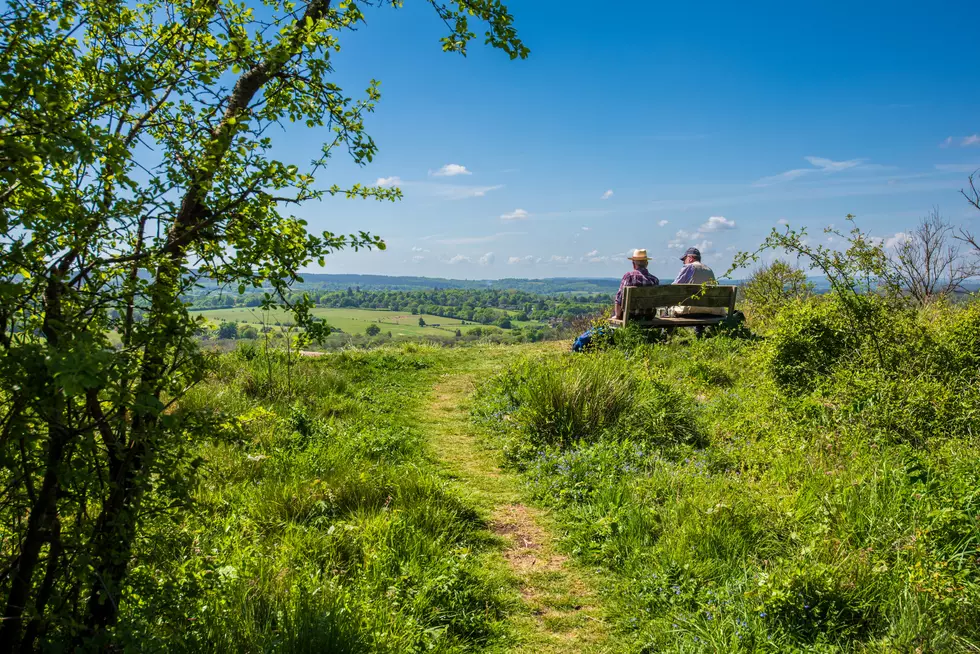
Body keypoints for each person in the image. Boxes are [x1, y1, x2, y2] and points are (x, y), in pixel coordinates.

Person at [671, 247, 725, 337]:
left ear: (690, 258)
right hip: (711, 310)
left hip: (690, 310)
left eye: (685, 259)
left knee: (670, 306)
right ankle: (699, 332)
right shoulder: (709, 269)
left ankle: (668, 335)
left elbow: (673, 288)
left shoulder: (688, 267)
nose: (684, 262)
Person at [614, 248, 660, 319]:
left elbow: (619, 298)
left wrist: (617, 316)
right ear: (647, 264)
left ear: (633, 264)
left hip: (630, 317)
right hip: (648, 317)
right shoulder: (654, 280)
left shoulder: (629, 277)